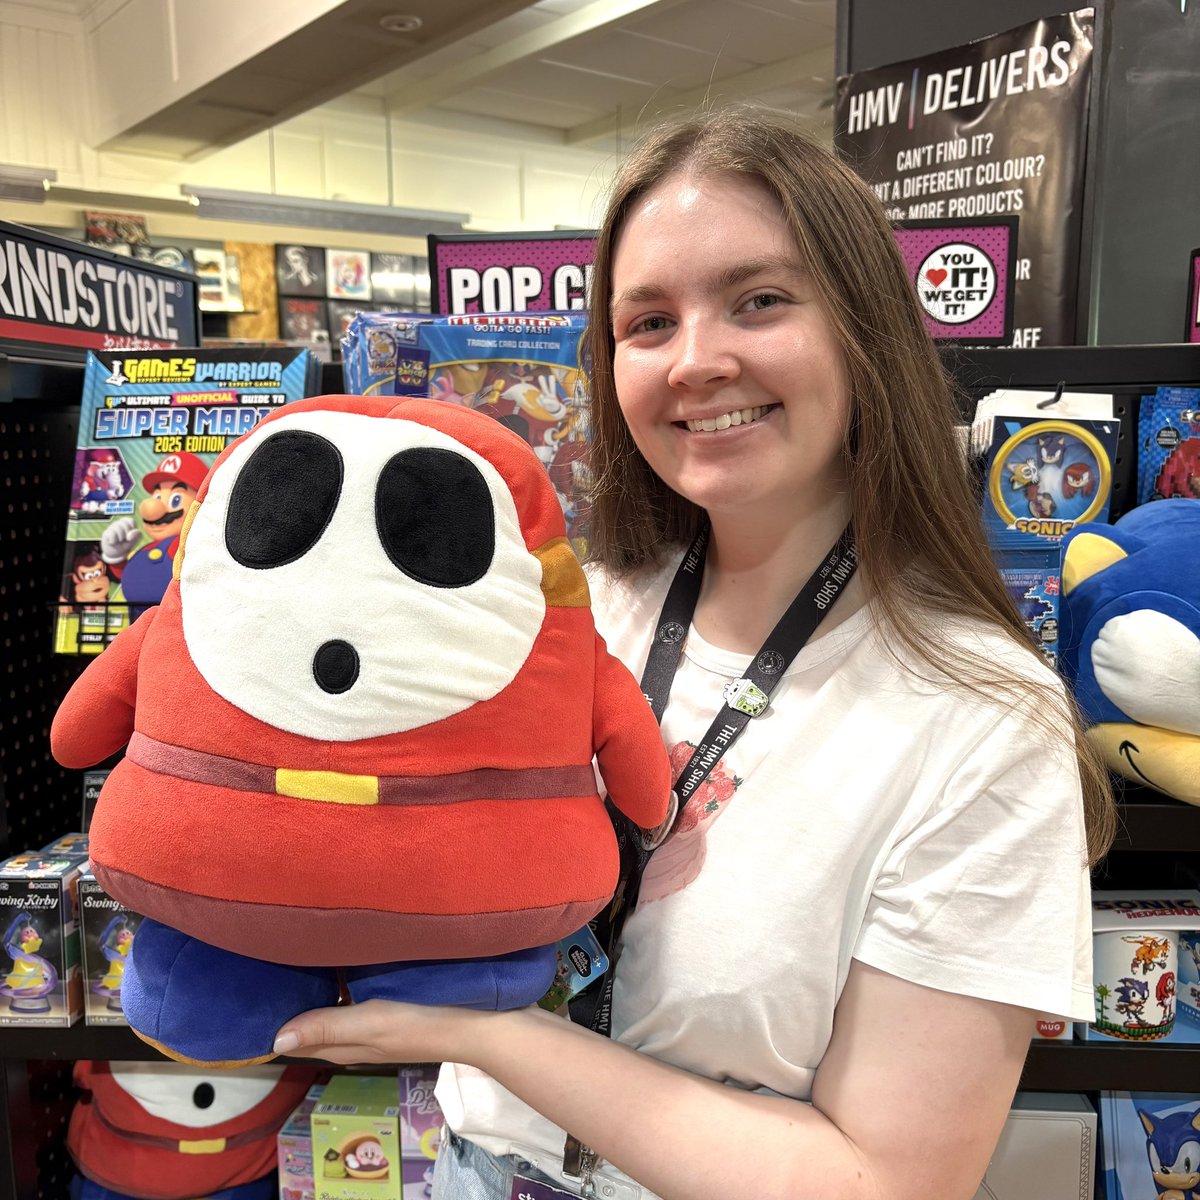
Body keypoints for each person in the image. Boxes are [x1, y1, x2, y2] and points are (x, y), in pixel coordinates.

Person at [272, 107, 1116, 1200]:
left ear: (865, 328)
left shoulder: (981, 715)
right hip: (473, 1171)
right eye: (649, 322)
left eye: (759, 301)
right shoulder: (567, 613)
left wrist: (490, 1037)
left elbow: (891, 1181)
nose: (698, 362)